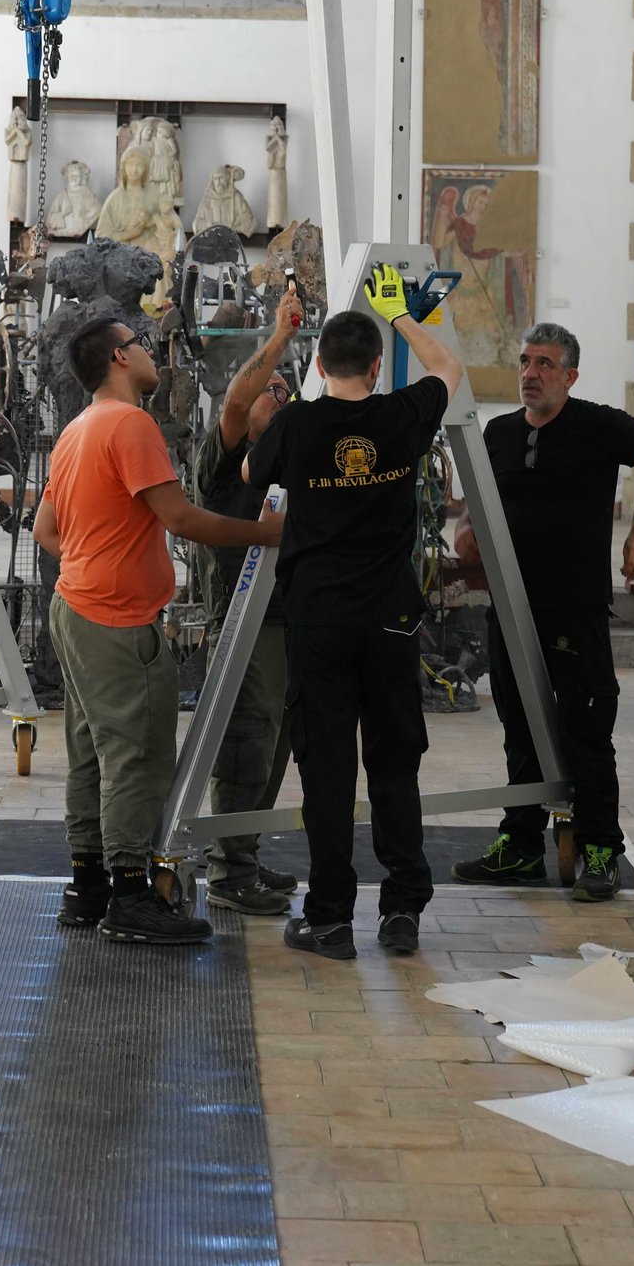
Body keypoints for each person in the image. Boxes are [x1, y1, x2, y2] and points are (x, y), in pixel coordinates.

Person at [34, 317, 280, 946]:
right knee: (137, 758)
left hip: (75, 607)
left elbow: (46, 530)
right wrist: (268, 535)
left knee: (91, 754)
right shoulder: (130, 423)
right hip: (115, 619)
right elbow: (182, 518)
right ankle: (130, 897)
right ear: (121, 357)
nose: (152, 351)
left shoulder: (75, 430)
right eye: (141, 342)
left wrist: (95, 556)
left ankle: (87, 887)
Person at [248, 266, 464, 960]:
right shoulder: (401, 415)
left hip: (319, 620)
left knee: (330, 771)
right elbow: (448, 364)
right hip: (390, 619)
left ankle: (331, 918)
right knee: (395, 765)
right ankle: (401, 911)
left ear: (316, 363)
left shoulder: (298, 423)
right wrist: (400, 311)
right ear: (375, 366)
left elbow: (250, 475)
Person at [452, 322, 634, 901]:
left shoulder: (600, 426)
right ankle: (522, 846)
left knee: (586, 732)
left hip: (573, 609)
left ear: (570, 375)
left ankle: (601, 851)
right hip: (510, 606)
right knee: (519, 730)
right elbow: (472, 507)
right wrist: (465, 531)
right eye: (526, 362)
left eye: (545, 365)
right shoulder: (498, 434)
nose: (530, 373)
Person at [195, 280, 306, 915]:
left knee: (276, 746)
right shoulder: (221, 455)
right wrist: (282, 336)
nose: (281, 394)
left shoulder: (290, 460)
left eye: (288, 390)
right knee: (244, 744)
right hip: (243, 623)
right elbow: (239, 400)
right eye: (273, 389)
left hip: (289, 620)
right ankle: (226, 870)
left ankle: (245, 856)